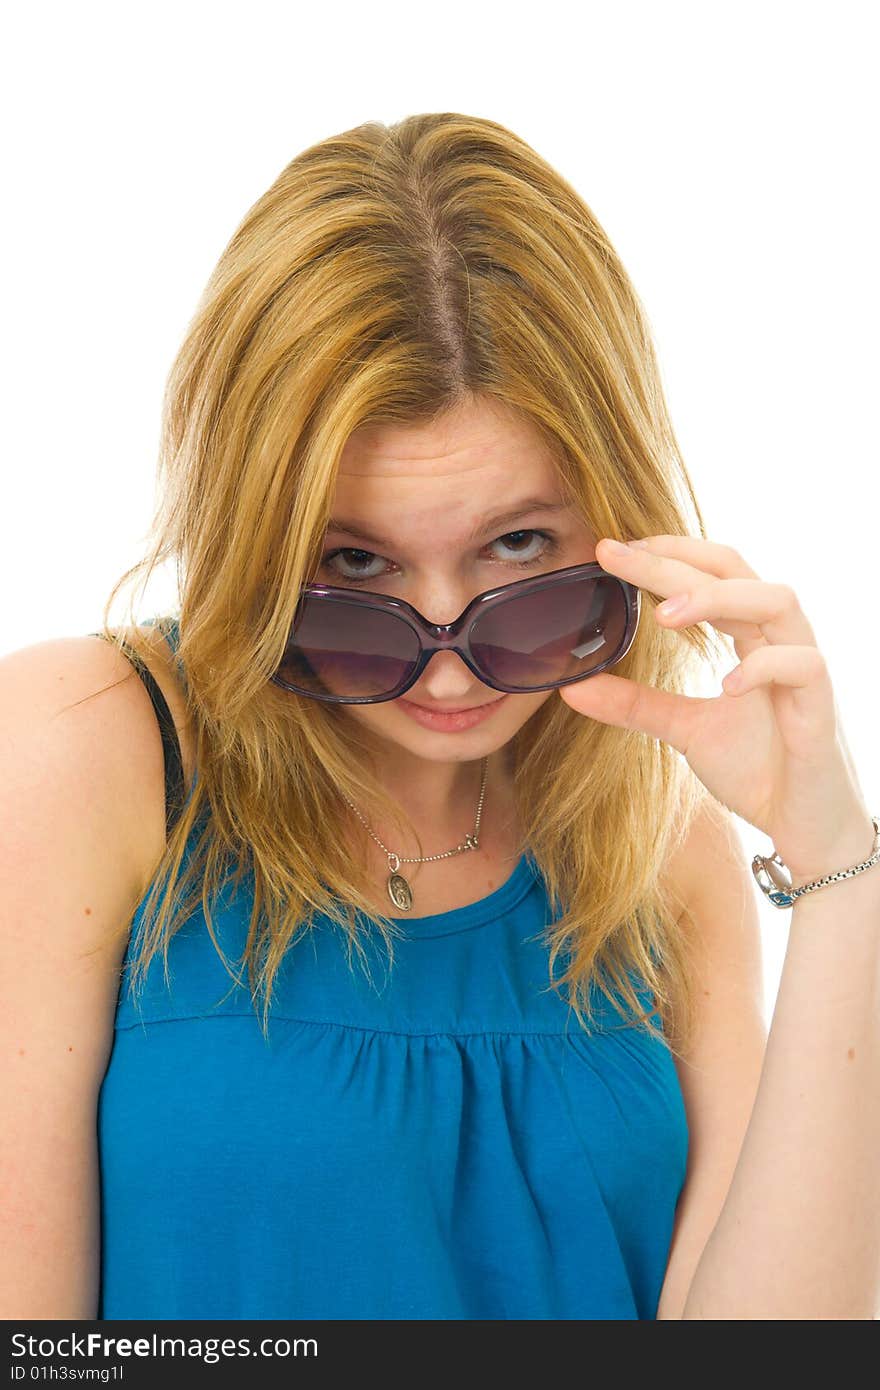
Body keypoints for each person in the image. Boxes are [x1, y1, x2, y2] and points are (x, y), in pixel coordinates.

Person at [3, 113, 875, 1322]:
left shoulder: (661, 852)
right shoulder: (82, 746)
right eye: (355, 571)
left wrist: (838, 870)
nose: (451, 671)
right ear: (254, 548)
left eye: (520, 550)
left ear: (617, 521)